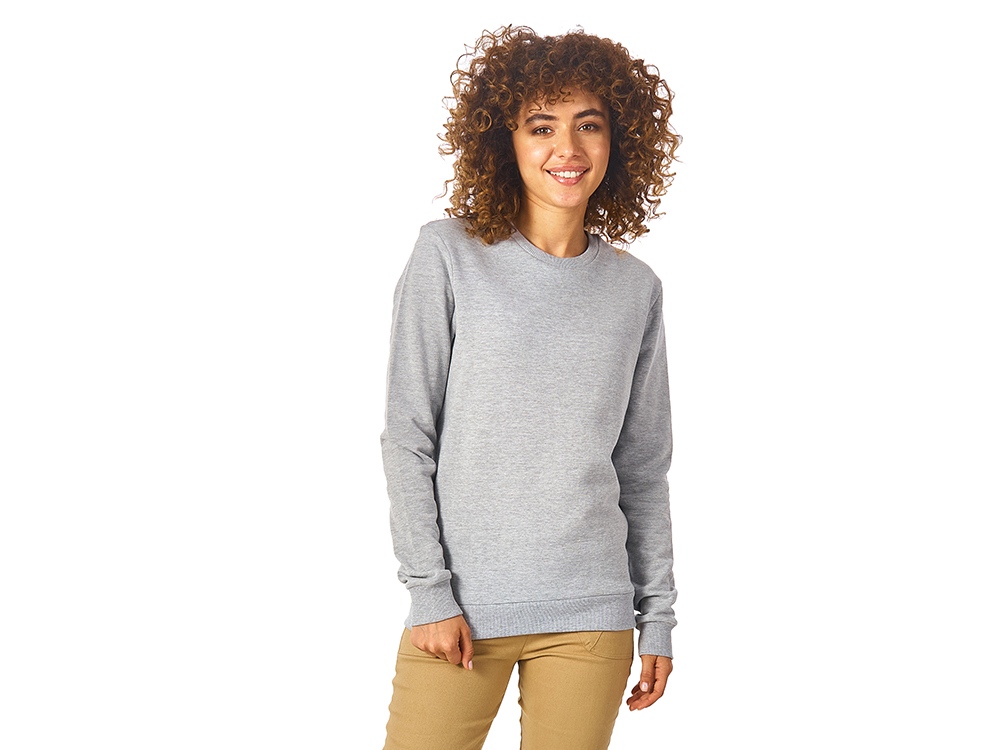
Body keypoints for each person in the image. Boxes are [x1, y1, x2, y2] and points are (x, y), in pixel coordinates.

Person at [380, 25, 681, 750]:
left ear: (619, 141)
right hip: (462, 609)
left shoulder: (635, 289)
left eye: (589, 125)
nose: (567, 149)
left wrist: (658, 617)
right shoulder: (448, 255)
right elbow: (409, 437)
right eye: (541, 127)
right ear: (504, 142)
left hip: (592, 614)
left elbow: (642, 468)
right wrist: (429, 591)